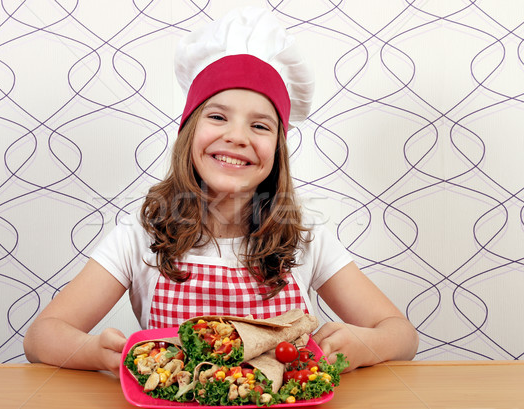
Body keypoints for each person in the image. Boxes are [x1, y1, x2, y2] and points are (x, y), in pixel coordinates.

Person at [23, 7, 419, 377]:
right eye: (217, 116)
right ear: (188, 131)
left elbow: (402, 335)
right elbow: (41, 337)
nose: (236, 137)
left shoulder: (304, 239)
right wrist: (95, 352)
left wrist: (368, 343)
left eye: (260, 126)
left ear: (277, 150)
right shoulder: (139, 237)